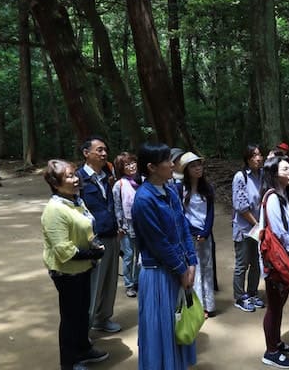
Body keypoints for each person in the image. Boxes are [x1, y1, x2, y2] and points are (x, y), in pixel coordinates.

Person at [131, 143, 198, 370]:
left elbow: (184, 228)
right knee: (162, 330)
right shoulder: (143, 200)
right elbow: (159, 243)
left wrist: (192, 262)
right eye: (167, 160)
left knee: (178, 327)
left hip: (179, 270)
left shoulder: (170, 191)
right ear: (151, 167)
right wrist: (182, 269)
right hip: (159, 275)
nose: (173, 164)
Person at [41, 159, 109, 370]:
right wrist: (94, 253)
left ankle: (83, 349)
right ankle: (69, 362)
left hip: (83, 267)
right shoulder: (54, 210)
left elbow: (85, 227)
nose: (76, 178)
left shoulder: (75, 200)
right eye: (69, 176)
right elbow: (64, 251)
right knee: (70, 317)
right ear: (55, 183)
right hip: (67, 272)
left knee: (82, 313)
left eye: (75, 174)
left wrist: (93, 247)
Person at [259, 156, 289, 369]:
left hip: (285, 258)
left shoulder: (283, 195)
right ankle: (271, 351)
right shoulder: (273, 198)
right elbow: (278, 232)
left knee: (279, 305)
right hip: (276, 262)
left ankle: (276, 342)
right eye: (286, 169)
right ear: (274, 173)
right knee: (274, 306)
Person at [76, 136, 121, 333]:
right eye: (99, 150)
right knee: (93, 285)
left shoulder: (106, 175)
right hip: (93, 240)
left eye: (105, 150)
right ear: (87, 153)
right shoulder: (78, 179)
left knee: (110, 281)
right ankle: (84, 329)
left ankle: (103, 318)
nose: (104, 154)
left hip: (112, 235)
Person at [177, 152, 217, 318]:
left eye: (199, 165)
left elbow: (210, 212)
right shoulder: (180, 189)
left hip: (204, 235)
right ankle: (197, 306)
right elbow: (179, 213)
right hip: (189, 235)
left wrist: (206, 231)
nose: (198, 168)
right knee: (194, 269)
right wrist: (191, 230)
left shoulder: (207, 188)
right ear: (186, 170)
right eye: (193, 166)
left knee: (207, 268)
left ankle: (209, 305)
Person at [232, 144, 265, 312]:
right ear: (247, 159)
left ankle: (252, 293)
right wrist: (257, 225)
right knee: (242, 264)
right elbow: (241, 206)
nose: (258, 158)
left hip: (258, 228)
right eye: (254, 155)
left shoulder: (263, 175)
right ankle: (239, 297)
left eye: (259, 155)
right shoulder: (241, 177)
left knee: (256, 263)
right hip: (245, 228)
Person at [112, 152, 141, 298]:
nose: (131, 166)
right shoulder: (119, 184)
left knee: (140, 255)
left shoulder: (142, 181)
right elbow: (117, 206)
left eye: (132, 162)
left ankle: (137, 281)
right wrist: (120, 225)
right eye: (126, 164)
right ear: (121, 168)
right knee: (129, 255)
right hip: (126, 225)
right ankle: (129, 284)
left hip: (141, 224)